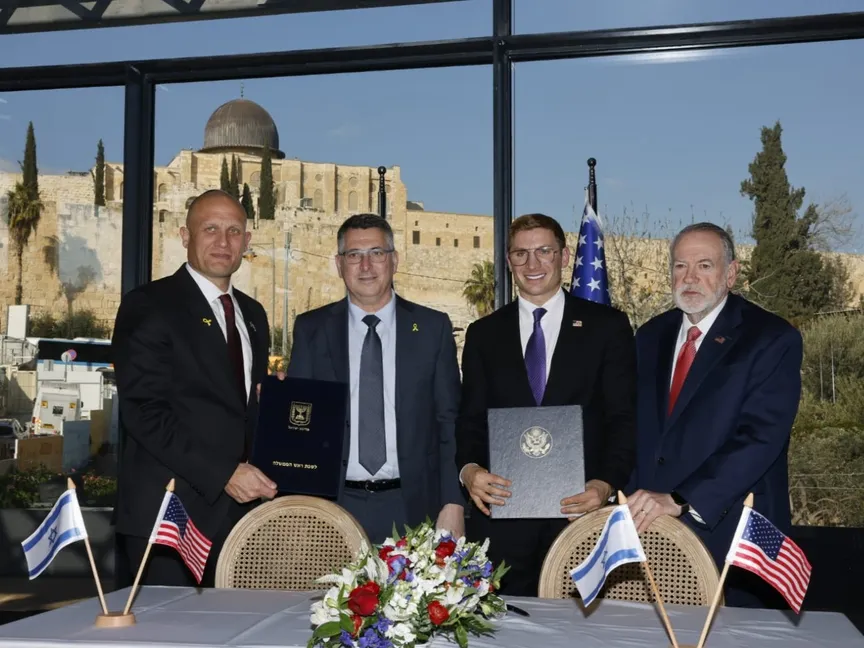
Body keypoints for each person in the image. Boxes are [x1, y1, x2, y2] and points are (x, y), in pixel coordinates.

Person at [456, 213, 637, 596]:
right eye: (520, 254)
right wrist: (469, 470)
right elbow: (470, 419)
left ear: (564, 256)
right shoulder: (483, 334)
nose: (532, 263)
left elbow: (623, 418)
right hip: (503, 521)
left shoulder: (608, 327)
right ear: (509, 260)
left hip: (581, 516)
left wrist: (605, 484)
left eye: (543, 251)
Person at [626, 222, 802, 608]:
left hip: (731, 540)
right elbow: (636, 428)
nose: (689, 278)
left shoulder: (771, 338)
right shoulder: (649, 336)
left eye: (704, 265)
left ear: (731, 273)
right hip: (652, 538)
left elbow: (760, 437)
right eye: (680, 266)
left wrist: (681, 498)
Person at [112, 189, 277, 588]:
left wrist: (275, 400)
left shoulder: (253, 315)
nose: (223, 242)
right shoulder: (149, 305)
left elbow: (238, 407)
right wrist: (223, 473)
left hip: (240, 520)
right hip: (170, 519)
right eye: (210, 229)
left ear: (247, 241)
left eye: (234, 231)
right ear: (185, 236)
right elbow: (144, 412)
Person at [286, 213, 464, 543]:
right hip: (334, 506)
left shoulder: (432, 328)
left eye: (377, 253)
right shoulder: (311, 329)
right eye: (354, 255)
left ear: (394, 261)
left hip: (413, 506)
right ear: (339, 264)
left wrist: (453, 501)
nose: (366, 266)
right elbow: (300, 426)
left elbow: (449, 421)